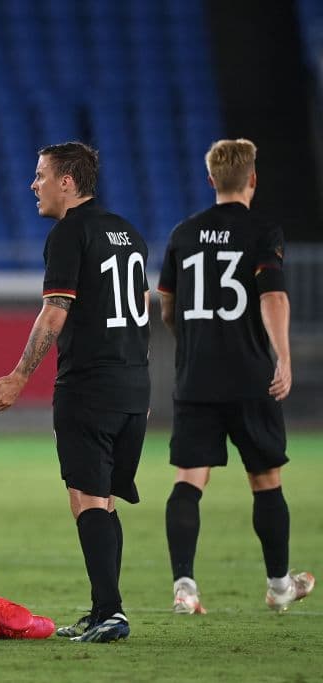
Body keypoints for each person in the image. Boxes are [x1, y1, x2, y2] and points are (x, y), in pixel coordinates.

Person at [0, 142, 150, 644]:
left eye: (41, 176)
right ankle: (103, 611)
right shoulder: (130, 233)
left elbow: (55, 310)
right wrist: (141, 382)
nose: (34, 185)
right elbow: (137, 313)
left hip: (90, 384)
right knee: (103, 500)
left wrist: (18, 375)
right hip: (132, 383)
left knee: (86, 496)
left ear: (67, 183)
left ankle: (112, 612)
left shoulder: (69, 233)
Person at [157, 138, 314, 615]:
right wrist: (282, 358)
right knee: (266, 481)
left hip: (197, 378)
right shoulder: (264, 231)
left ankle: (185, 586)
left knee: (189, 481)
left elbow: (166, 304)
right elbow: (274, 297)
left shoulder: (184, 233)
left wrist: (193, 338)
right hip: (251, 377)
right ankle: (279, 585)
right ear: (253, 179)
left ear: (210, 181)